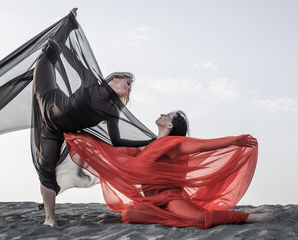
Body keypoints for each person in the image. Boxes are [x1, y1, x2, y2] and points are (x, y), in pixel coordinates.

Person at [32, 8, 152, 227]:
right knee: (44, 60)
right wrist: (69, 26)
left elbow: (116, 141)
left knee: (46, 169)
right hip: (49, 101)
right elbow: (73, 57)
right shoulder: (92, 83)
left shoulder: (113, 110)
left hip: (54, 130)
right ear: (115, 79)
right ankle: (55, 35)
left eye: (131, 87)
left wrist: (149, 142)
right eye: (128, 83)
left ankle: (50, 218)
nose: (130, 88)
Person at [64, 111, 274, 228]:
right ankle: (166, 216)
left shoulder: (174, 144)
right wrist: (81, 137)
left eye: (168, 115)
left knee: (199, 219)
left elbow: (201, 145)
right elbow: (113, 153)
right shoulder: (147, 146)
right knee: (129, 213)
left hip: (171, 198)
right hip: (151, 201)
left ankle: (248, 217)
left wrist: (234, 140)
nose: (162, 114)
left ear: (171, 126)